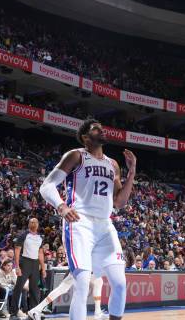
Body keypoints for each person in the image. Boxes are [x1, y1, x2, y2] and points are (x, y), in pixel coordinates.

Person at [39, 119, 136, 320]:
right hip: (79, 222)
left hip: (104, 225)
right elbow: (46, 186)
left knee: (119, 283)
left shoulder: (113, 164)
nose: (102, 130)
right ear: (85, 137)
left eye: (102, 127)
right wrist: (62, 206)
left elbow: (119, 202)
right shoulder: (76, 155)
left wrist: (132, 171)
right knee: (82, 284)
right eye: (96, 129)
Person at [9, 218, 45, 319]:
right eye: (31, 222)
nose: (33, 223)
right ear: (28, 224)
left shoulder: (40, 237)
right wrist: (17, 266)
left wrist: (43, 268)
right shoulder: (23, 235)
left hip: (35, 263)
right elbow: (17, 251)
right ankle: (14, 312)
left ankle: (33, 312)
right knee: (19, 287)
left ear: (38, 225)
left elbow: (41, 253)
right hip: (25, 262)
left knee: (35, 289)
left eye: (35, 222)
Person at [27, 273, 105, 320]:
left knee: (98, 281)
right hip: (80, 268)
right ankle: (97, 312)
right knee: (63, 289)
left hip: (79, 268)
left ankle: (36, 309)